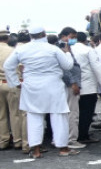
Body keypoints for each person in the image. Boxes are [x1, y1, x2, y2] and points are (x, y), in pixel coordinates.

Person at [3, 25, 77, 158]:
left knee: (34, 118)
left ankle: (36, 151)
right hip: (53, 86)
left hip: (31, 87)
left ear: (31, 36)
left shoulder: (21, 49)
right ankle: (63, 149)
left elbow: (8, 66)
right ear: (44, 34)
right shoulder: (53, 49)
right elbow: (67, 65)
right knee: (59, 117)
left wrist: (15, 83)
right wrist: (67, 52)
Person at [72, 30, 101, 143]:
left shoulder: (70, 49)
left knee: (76, 112)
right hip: (88, 87)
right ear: (85, 39)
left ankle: (75, 134)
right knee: (87, 112)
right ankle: (83, 135)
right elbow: (96, 67)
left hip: (74, 86)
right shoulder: (88, 50)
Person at [57, 27, 86, 150]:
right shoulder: (62, 48)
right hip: (69, 85)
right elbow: (65, 68)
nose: (74, 39)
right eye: (72, 37)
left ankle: (62, 138)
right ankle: (71, 139)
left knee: (65, 113)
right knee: (72, 113)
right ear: (65, 36)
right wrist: (73, 83)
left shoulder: (64, 47)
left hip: (65, 85)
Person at [0, 34, 20, 150]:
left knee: (1, 115)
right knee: (15, 114)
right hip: (10, 82)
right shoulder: (12, 51)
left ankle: (3, 140)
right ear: (7, 39)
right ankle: (17, 140)